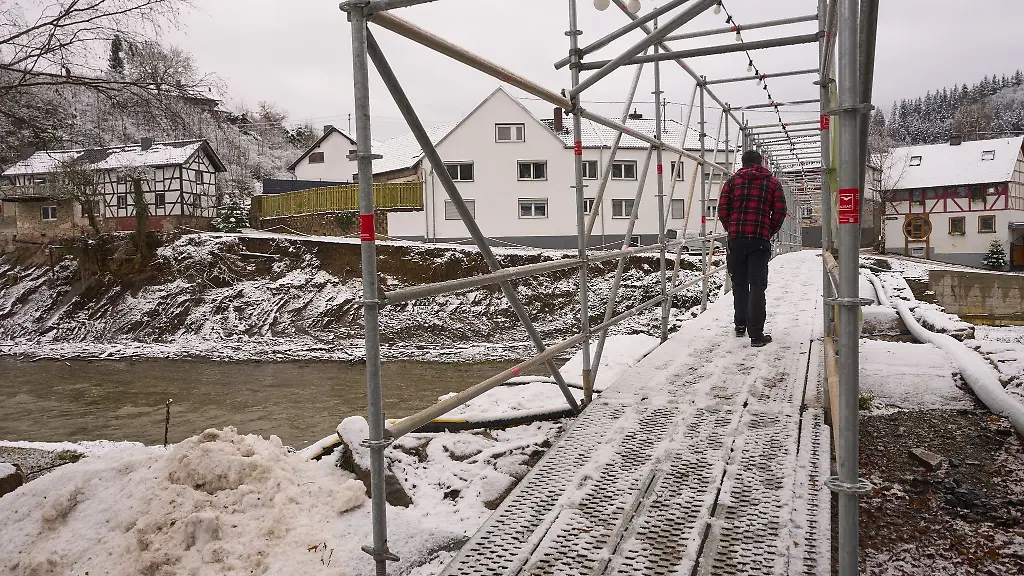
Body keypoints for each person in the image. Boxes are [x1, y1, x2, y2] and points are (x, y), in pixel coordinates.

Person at [717, 150, 787, 348]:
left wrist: (732, 229)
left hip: (736, 240)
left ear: (743, 162)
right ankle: (756, 335)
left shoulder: (732, 182)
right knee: (757, 286)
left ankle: (740, 325)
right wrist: (768, 230)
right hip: (759, 240)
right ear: (761, 163)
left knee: (739, 284)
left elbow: (722, 210)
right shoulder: (772, 182)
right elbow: (780, 211)